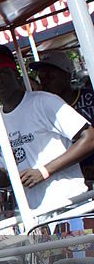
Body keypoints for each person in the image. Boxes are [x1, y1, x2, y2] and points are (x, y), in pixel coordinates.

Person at [0, 44, 94, 215]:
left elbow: (89, 138)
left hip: (71, 206)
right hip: (35, 215)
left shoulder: (44, 102)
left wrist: (44, 171)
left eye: (3, 73)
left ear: (17, 76)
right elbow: (10, 172)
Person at [29, 51, 94, 183]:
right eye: (41, 77)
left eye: (50, 76)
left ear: (67, 76)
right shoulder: (41, 109)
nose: (44, 82)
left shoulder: (90, 99)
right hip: (71, 177)